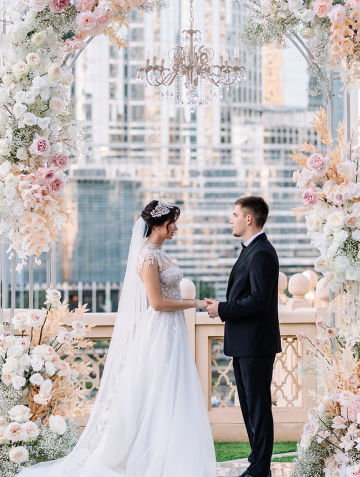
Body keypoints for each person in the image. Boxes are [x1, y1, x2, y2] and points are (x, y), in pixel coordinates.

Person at [18, 200, 217, 477]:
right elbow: (157, 303)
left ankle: (173, 451)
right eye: (173, 222)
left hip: (174, 331)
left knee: (173, 389)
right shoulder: (147, 256)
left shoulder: (161, 253)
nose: (176, 228)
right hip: (160, 330)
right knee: (157, 389)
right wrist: (195, 303)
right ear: (159, 224)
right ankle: (150, 454)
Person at [206, 196, 281, 477]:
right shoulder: (251, 249)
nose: (231, 219)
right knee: (250, 406)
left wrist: (222, 309)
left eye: (235, 214)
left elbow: (259, 300)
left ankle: (260, 468)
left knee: (258, 407)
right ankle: (256, 462)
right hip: (245, 343)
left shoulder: (261, 252)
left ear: (249, 219)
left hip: (256, 344)